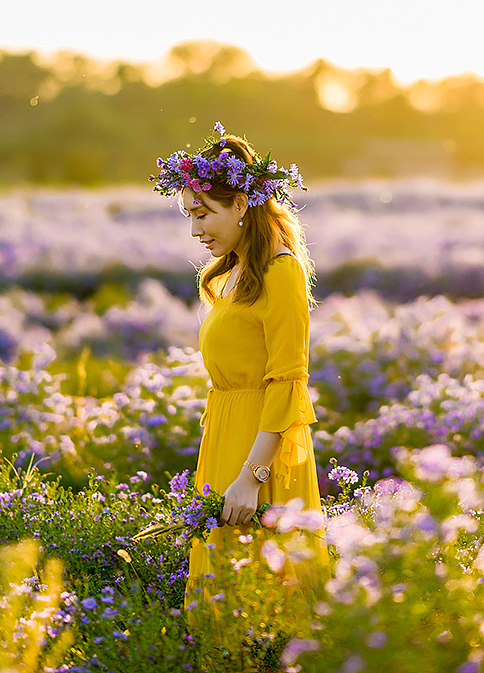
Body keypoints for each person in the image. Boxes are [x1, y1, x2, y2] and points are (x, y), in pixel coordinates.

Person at [150, 122, 325, 604]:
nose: (195, 229)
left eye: (203, 213)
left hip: (259, 453)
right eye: (190, 215)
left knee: (265, 595)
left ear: (242, 204)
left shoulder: (280, 271)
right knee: (223, 593)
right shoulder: (236, 272)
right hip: (228, 437)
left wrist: (252, 477)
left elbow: (288, 382)